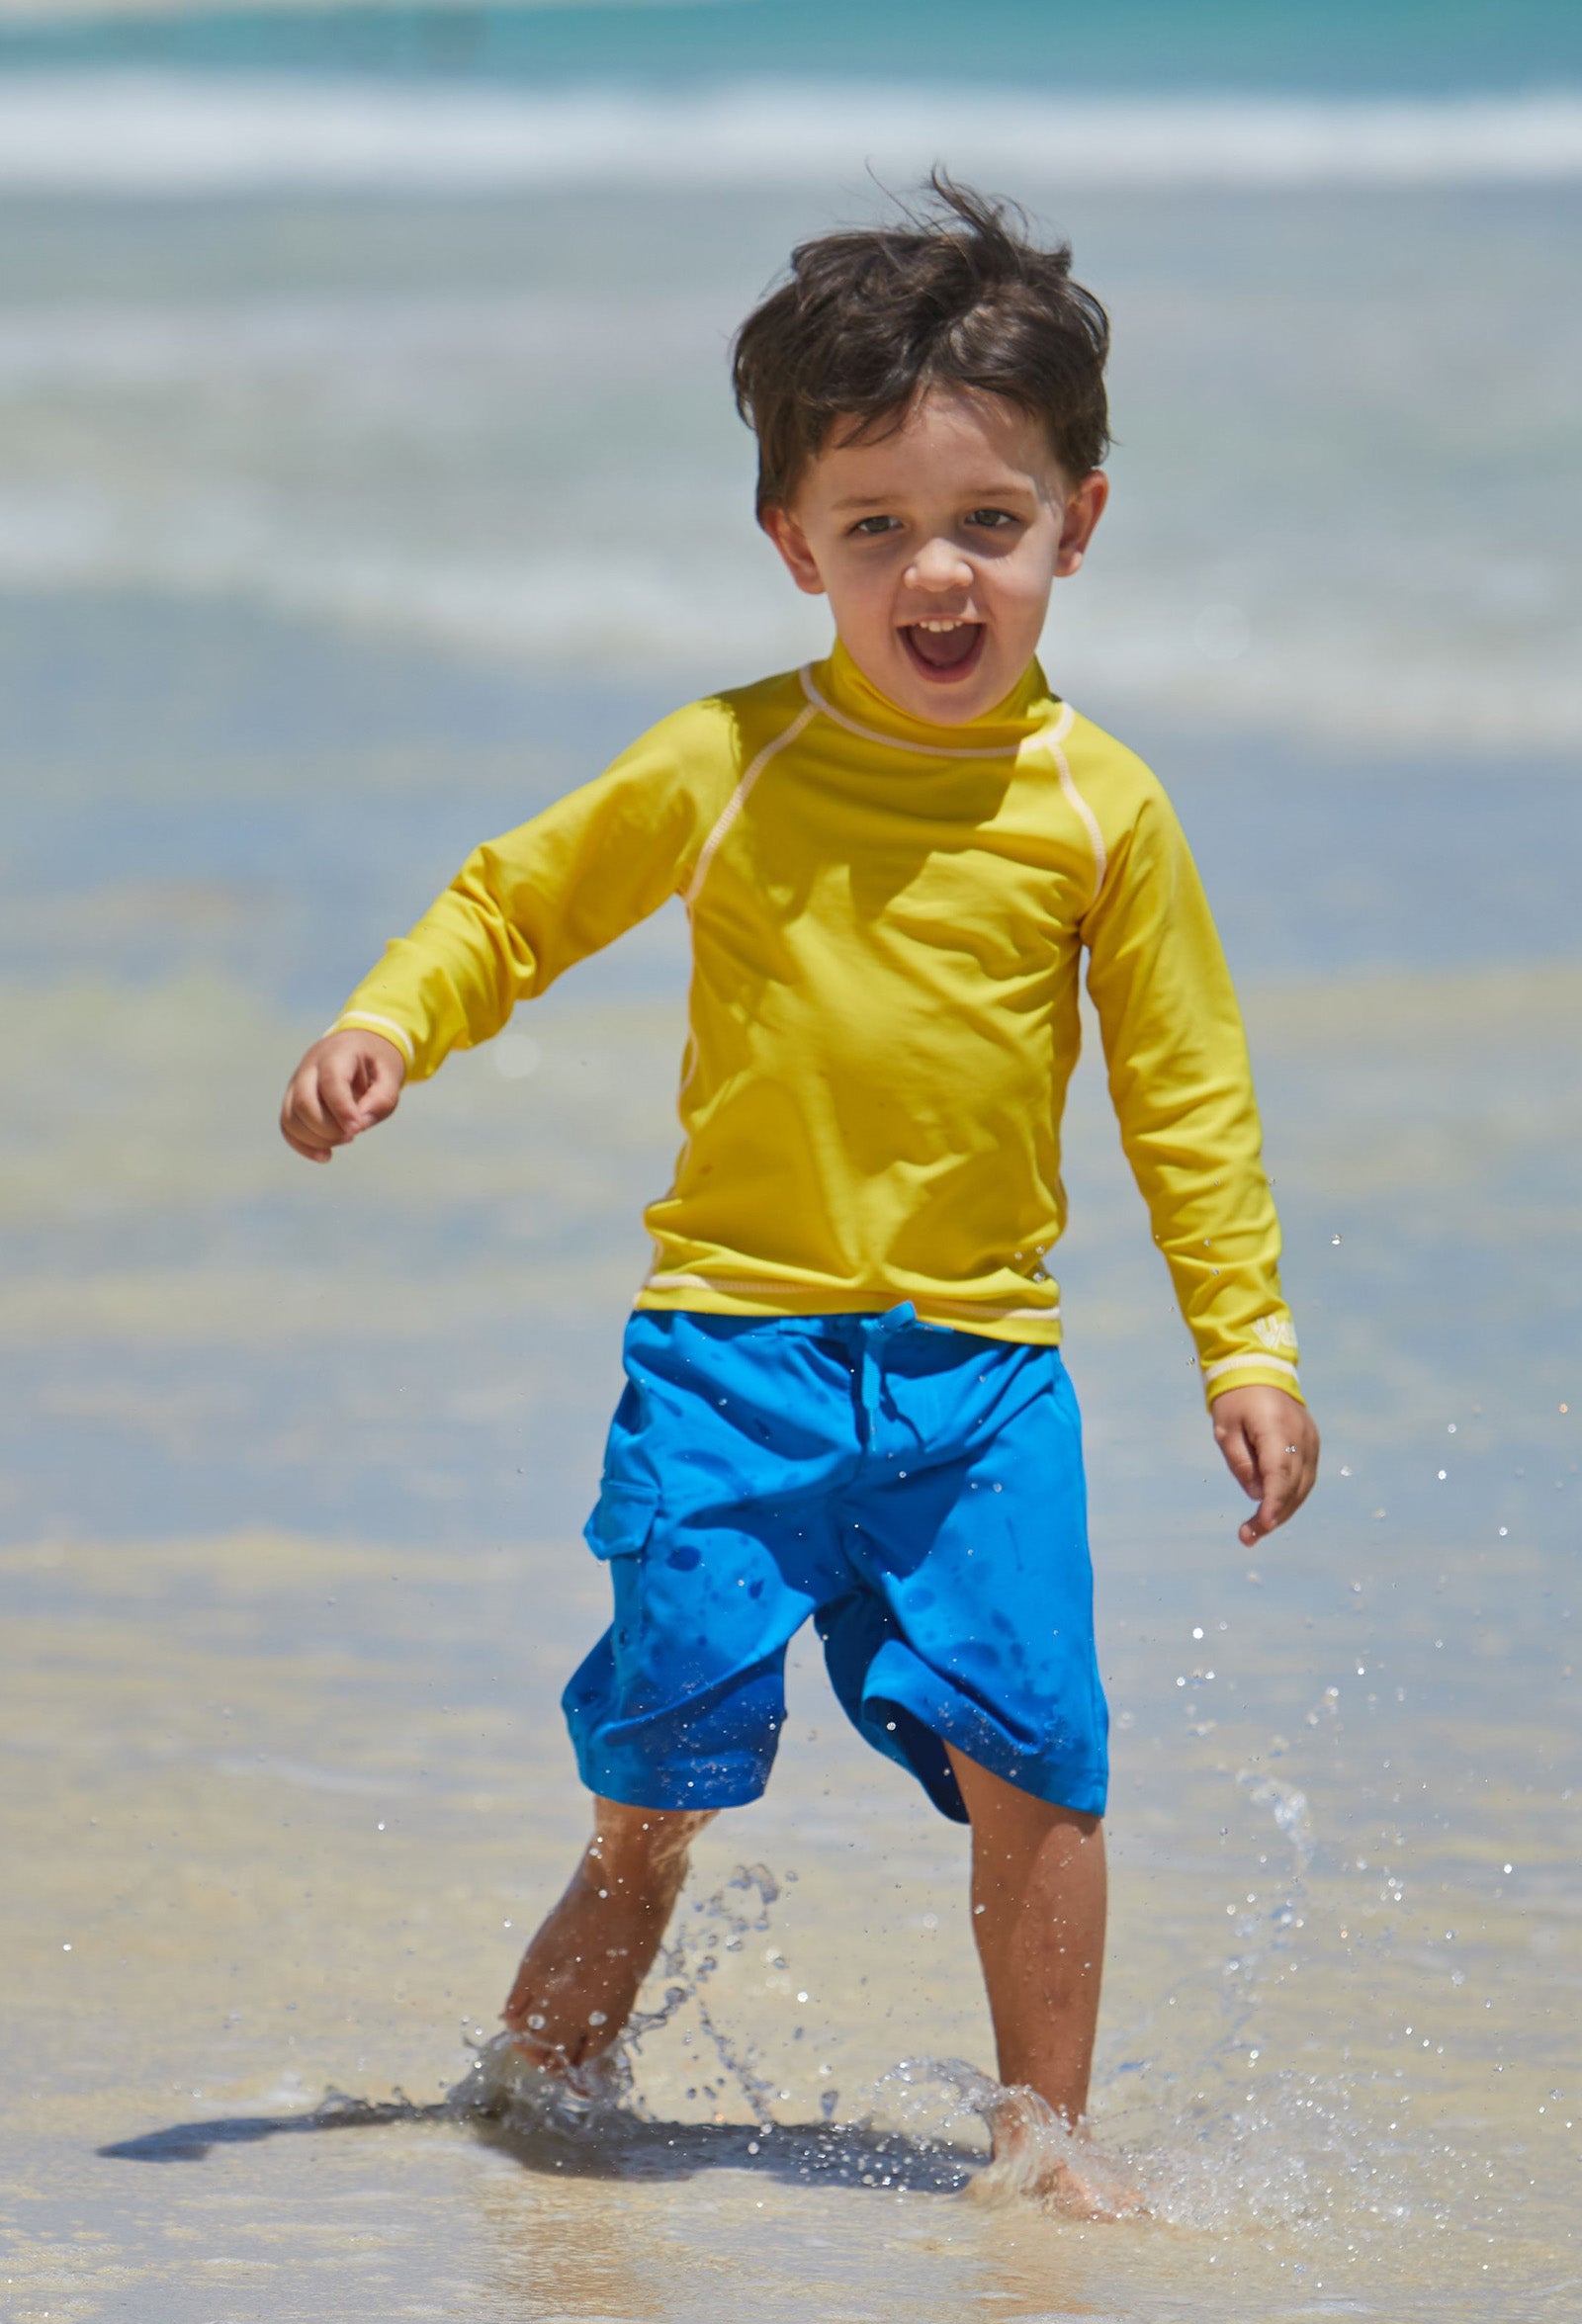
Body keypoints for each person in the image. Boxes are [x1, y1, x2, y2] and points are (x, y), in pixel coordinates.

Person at [279, 178, 1319, 2216]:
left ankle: (1045, 2139)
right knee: (655, 1769)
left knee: (1039, 1753)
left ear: (1077, 521)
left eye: (988, 526)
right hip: (722, 1364)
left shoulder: (1099, 812)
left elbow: (1185, 1097)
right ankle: (536, 2100)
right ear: (792, 544)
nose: (935, 575)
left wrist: (1245, 1341)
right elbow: (522, 896)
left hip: (977, 1381)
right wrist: (390, 1021)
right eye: (875, 530)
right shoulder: (730, 757)